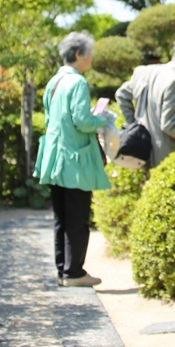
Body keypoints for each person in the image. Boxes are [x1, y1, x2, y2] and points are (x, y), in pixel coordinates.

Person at [35, 31, 111, 287]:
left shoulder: (54, 82)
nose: (90, 59)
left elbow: (54, 118)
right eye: (89, 54)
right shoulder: (77, 82)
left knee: (62, 217)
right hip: (74, 161)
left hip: (54, 158)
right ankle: (75, 272)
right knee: (78, 217)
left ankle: (63, 270)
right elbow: (81, 121)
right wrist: (102, 118)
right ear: (78, 54)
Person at [116, 41, 175, 168]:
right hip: (166, 156)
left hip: (143, 151)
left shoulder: (143, 72)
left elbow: (121, 94)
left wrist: (134, 125)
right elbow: (169, 125)